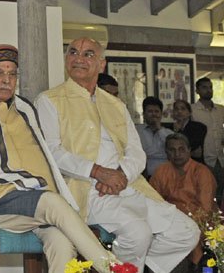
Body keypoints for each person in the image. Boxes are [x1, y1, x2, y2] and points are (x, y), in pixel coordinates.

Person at [0, 44, 118, 273]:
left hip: (33, 202)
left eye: (12, 74)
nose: (7, 80)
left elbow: (47, 156)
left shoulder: (25, 108)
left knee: (61, 242)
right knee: (53, 202)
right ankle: (113, 268)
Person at [36, 38, 199, 273]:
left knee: (187, 232)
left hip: (127, 185)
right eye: (73, 52)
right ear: (66, 59)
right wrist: (99, 173)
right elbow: (52, 153)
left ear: (102, 64)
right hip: (86, 190)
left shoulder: (115, 104)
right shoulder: (49, 100)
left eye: (88, 54)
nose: (79, 58)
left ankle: (133, 270)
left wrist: (120, 176)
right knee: (138, 233)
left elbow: (136, 152)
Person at [150, 133, 217, 268]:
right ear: (166, 152)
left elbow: (206, 209)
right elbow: (153, 203)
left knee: (192, 240)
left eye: (181, 149)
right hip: (169, 223)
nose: (177, 154)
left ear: (189, 150)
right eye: (172, 150)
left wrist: (184, 228)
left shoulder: (201, 172)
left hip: (199, 223)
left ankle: (195, 267)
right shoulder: (161, 171)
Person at [191, 77, 224, 201]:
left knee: (220, 194)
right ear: (197, 90)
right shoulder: (192, 110)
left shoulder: (220, 110)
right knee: (205, 194)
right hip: (202, 160)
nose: (208, 90)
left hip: (220, 159)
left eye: (210, 87)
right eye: (204, 87)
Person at [136, 96, 173, 178]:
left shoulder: (169, 133)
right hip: (142, 174)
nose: (154, 114)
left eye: (157, 111)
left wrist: (159, 129)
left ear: (161, 114)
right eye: (150, 111)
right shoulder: (136, 131)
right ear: (144, 114)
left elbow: (172, 151)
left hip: (166, 174)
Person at [170, 99, 206, 164]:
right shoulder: (168, 129)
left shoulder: (199, 127)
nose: (179, 111)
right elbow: (169, 151)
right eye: (176, 109)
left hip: (195, 165)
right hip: (175, 166)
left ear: (189, 113)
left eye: (183, 109)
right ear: (173, 113)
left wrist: (179, 131)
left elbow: (196, 152)